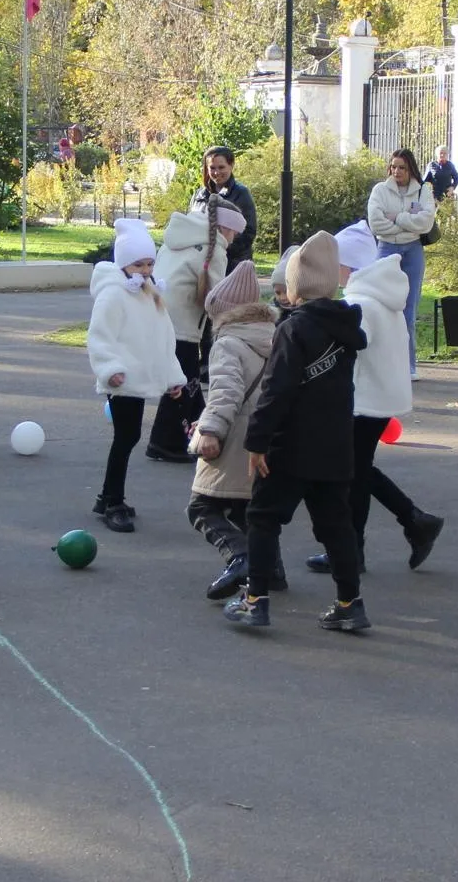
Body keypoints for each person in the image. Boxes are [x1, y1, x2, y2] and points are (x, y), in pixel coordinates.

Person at [222, 230, 369, 631]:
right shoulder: (347, 329)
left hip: (291, 444)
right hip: (336, 442)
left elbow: (277, 388)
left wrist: (258, 440)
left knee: (264, 517)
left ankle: (256, 598)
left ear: (295, 285)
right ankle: (349, 601)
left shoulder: (293, 328)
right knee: (335, 523)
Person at [318, 220, 444, 575]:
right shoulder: (379, 296)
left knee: (352, 475)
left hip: (364, 400)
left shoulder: (361, 301)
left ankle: (354, 549)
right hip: (377, 397)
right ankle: (412, 521)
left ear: (351, 265)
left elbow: (354, 343)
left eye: (336, 262)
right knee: (357, 471)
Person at [188, 261, 283, 600]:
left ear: (225, 314)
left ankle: (240, 556)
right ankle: (270, 568)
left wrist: (210, 429)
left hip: (234, 437)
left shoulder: (227, 343)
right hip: (264, 435)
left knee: (201, 507)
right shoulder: (276, 336)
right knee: (248, 508)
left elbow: (226, 392)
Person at [86, 218, 185, 532]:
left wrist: (172, 377)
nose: (145, 270)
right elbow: (100, 336)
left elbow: (165, 340)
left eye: (149, 263)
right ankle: (111, 501)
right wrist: (110, 368)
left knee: (129, 437)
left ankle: (107, 497)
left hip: (138, 380)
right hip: (123, 380)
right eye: (138, 264)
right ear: (124, 265)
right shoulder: (114, 295)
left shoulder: (150, 294)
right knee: (126, 437)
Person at [146, 204, 244, 460]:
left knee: (186, 382)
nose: (233, 240)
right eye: (234, 233)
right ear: (226, 228)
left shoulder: (177, 238)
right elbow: (217, 298)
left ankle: (199, 432)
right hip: (182, 326)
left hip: (158, 318)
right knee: (183, 383)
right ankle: (165, 442)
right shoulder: (214, 251)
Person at [366, 148, 436, 378]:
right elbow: (376, 223)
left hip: (413, 252)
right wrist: (408, 224)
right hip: (386, 248)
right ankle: (382, 365)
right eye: (393, 166)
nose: (397, 171)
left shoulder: (422, 191)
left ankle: (409, 366)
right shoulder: (380, 190)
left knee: (408, 310)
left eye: (402, 167)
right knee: (382, 307)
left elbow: (425, 222)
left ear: (411, 169)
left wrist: (397, 217)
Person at [187, 145, 257, 272]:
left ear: (231, 166)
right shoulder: (199, 195)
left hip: (232, 265)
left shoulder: (241, 193)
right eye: (212, 168)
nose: (216, 172)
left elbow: (248, 233)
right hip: (201, 264)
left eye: (221, 167)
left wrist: (218, 247)